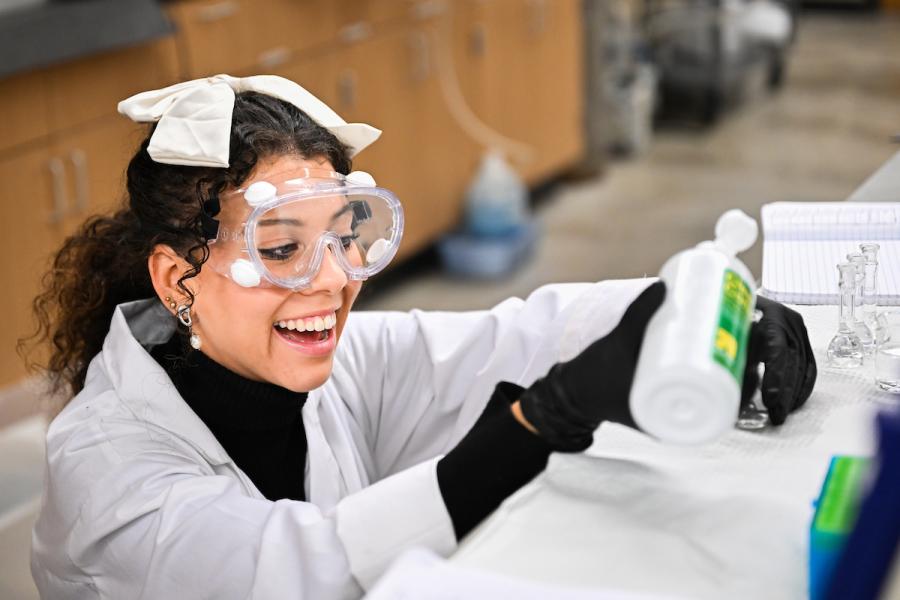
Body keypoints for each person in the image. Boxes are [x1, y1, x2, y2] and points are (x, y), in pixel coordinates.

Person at [23, 75, 816, 599]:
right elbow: (304, 570)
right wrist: (540, 423)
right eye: (279, 247)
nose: (331, 280)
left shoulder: (312, 365)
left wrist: (711, 311)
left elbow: (511, 339)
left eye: (346, 235)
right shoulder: (109, 471)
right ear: (175, 280)